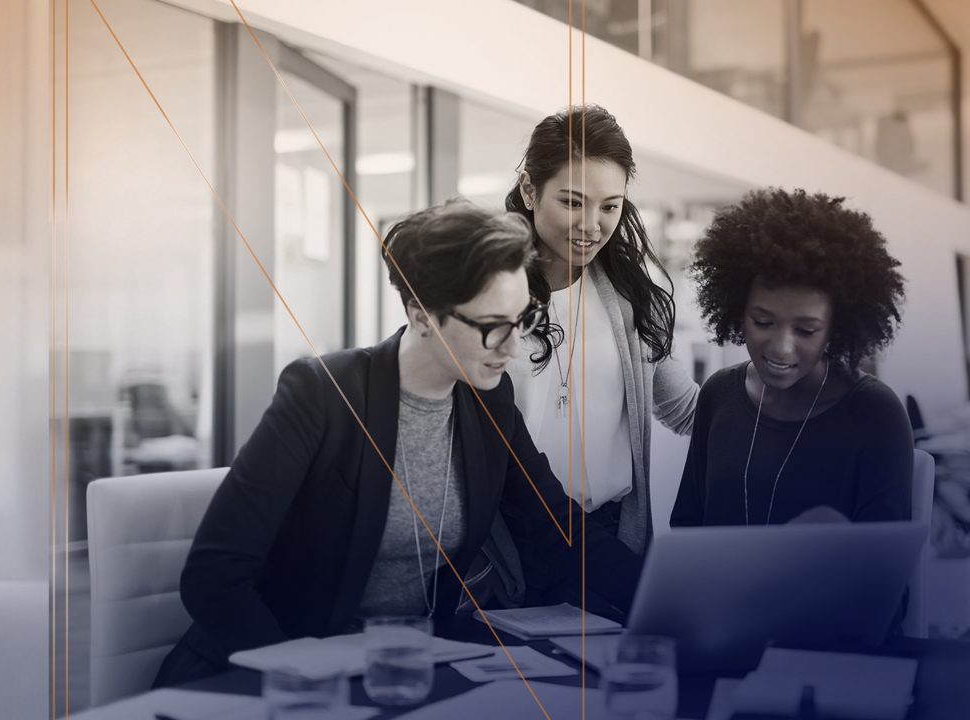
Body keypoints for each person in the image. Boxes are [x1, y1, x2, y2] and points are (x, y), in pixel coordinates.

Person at [154, 200, 643, 687]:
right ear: (422, 313)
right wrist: (304, 677)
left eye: (522, 321)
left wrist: (659, 595)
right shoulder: (323, 394)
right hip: (278, 675)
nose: (513, 347)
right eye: (493, 327)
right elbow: (215, 576)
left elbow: (554, 526)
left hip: (405, 670)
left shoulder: (488, 402)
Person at [506, 105, 698, 554]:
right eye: (572, 202)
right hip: (512, 539)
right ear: (529, 190)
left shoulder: (630, 296)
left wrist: (798, 402)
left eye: (609, 206)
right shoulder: (490, 296)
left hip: (611, 533)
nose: (591, 226)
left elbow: (686, 409)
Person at [671, 188, 912, 528]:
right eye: (763, 322)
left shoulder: (875, 413)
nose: (781, 347)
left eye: (806, 330)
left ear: (836, 328)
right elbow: (687, 527)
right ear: (738, 311)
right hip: (718, 583)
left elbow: (885, 565)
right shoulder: (719, 394)